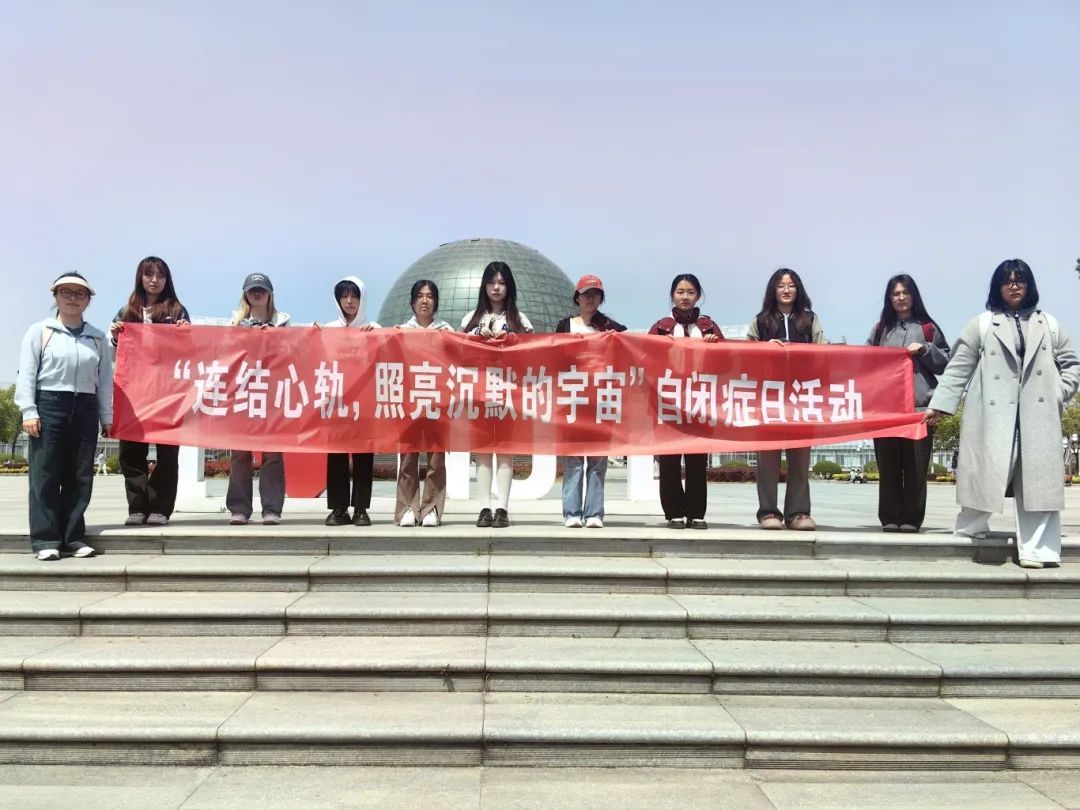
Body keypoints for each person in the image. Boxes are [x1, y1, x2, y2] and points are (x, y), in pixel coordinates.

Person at [925, 259, 1080, 568]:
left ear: (1029, 285)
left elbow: (1071, 364)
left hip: (1038, 415)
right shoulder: (982, 324)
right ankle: (970, 531)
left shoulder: (1049, 324)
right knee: (986, 472)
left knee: (1039, 484)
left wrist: (1058, 392)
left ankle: (1038, 550)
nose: (1013, 286)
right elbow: (959, 367)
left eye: (1019, 280)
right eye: (1007, 281)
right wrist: (939, 404)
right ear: (997, 288)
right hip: (992, 412)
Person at [15, 272, 113, 560]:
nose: (73, 298)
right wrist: (28, 410)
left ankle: (73, 537)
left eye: (79, 293)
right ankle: (45, 539)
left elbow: (105, 381)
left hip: (85, 406)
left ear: (88, 300)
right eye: (66, 292)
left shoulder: (97, 338)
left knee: (80, 475)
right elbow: (27, 373)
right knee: (45, 473)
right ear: (55, 296)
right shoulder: (40, 331)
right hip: (49, 403)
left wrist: (106, 416)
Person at [110, 256, 191, 526]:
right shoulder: (126, 312)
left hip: (168, 392)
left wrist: (185, 333)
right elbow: (113, 353)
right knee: (131, 452)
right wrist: (115, 335)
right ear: (140, 278)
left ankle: (160, 508)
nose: (154, 280)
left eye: (160, 276)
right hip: (134, 393)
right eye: (149, 275)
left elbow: (189, 351)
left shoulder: (177, 310)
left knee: (167, 453)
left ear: (167, 280)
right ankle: (137, 506)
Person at [867, 274, 949, 532]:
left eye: (906, 293)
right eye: (896, 294)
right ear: (889, 298)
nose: (901, 298)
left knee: (916, 467)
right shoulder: (880, 330)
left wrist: (925, 349)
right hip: (886, 412)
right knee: (888, 466)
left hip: (919, 411)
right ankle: (890, 517)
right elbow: (865, 362)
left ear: (914, 296)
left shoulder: (928, 328)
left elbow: (946, 363)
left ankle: (912, 519)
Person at [747, 268, 825, 531]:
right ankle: (768, 511)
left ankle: (798, 513)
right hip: (769, 398)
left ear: (798, 289)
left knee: (800, 459)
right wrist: (765, 349)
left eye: (791, 285)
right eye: (781, 286)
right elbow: (746, 355)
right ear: (773, 290)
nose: (786, 290)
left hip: (801, 398)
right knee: (768, 459)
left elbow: (823, 354)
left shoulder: (810, 320)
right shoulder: (761, 321)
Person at [460, 261, 534, 528]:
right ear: (484, 286)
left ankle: (502, 507)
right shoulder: (471, 319)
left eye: (501, 283)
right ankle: (484, 508)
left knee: (505, 452)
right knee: (482, 452)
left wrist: (512, 338)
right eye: (491, 282)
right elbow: (457, 350)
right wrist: (476, 335)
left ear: (509, 287)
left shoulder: (520, 320)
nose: (496, 288)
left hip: (508, 393)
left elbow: (532, 352)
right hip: (479, 393)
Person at [648, 273, 723, 529]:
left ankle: (696, 513)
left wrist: (716, 345)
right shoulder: (661, 327)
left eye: (690, 292)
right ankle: (674, 513)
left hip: (699, 402)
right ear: (672, 295)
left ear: (698, 296)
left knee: (697, 460)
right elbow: (645, 358)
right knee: (669, 460)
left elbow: (727, 362)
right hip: (668, 402)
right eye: (680, 292)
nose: (685, 297)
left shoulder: (709, 328)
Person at [557, 274, 627, 529]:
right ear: (577, 297)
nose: (590, 298)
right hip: (572, 400)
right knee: (573, 461)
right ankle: (572, 512)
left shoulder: (610, 327)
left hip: (600, 400)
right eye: (586, 294)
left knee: (597, 461)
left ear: (601, 299)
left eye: (595, 294)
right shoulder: (565, 325)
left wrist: (614, 337)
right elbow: (554, 358)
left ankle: (594, 513)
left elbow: (626, 351)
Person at [227, 273, 289, 525]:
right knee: (240, 453)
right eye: (252, 290)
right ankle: (239, 509)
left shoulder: (283, 322)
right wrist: (244, 334)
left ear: (270, 294)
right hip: (243, 393)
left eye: (261, 290)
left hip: (272, 395)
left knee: (273, 453)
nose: (257, 293)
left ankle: (271, 508)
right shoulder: (234, 322)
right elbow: (225, 353)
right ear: (245, 294)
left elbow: (294, 352)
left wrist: (273, 337)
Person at [321, 276, 379, 526]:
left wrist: (374, 339)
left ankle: (361, 509)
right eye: (344, 296)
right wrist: (313, 334)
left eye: (354, 296)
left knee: (364, 456)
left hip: (364, 403)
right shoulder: (328, 329)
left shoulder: (373, 328)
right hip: (336, 402)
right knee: (336, 456)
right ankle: (338, 508)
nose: (349, 301)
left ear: (362, 298)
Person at [396, 279, 453, 527]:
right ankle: (407, 508)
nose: (425, 300)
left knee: (436, 458)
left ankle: (432, 509)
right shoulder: (401, 331)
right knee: (408, 458)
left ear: (436, 302)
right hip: (410, 403)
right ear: (412, 301)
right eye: (420, 296)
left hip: (438, 403)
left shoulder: (446, 331)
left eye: (430, 296)